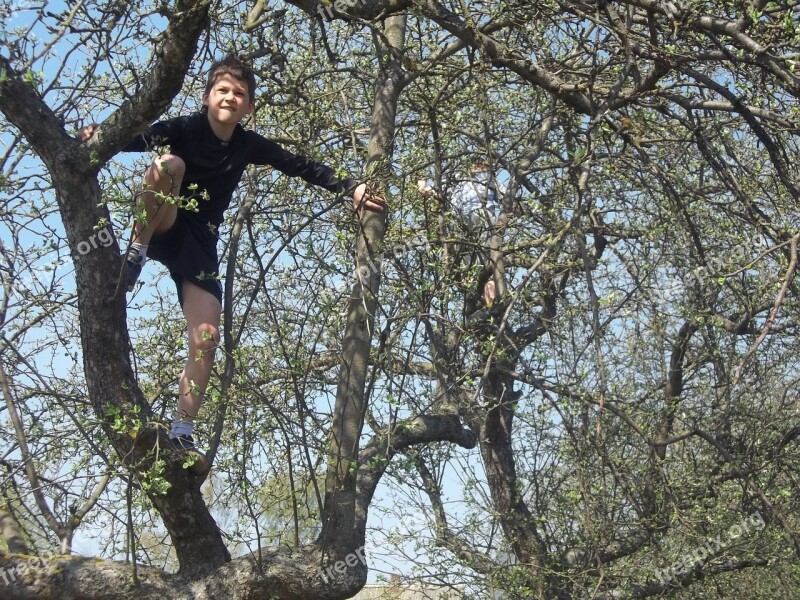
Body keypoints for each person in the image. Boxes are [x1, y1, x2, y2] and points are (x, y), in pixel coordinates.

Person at [81, 55, 385, 473]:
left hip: (200, 244)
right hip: (164, 219)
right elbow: (141, 138)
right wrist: (100, 136)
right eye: (222, 90)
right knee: (168, 164)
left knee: (206, 337)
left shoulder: (248, 145)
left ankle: (182, 430)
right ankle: (136, 252)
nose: (230, 97)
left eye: (239, 94)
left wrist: (351, 186)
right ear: (207, 97)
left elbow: (300, 165)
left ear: (249, 107)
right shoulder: (184, 127)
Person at [418, 161, 506, 308]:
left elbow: (507, 199)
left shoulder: (486, 177)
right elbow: (430, 192)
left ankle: (489, 300)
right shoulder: (455, 176)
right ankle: (478, 299)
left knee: (485, 262)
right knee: (472, 264)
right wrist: (421, 183)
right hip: (461, 219)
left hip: (477, 216)